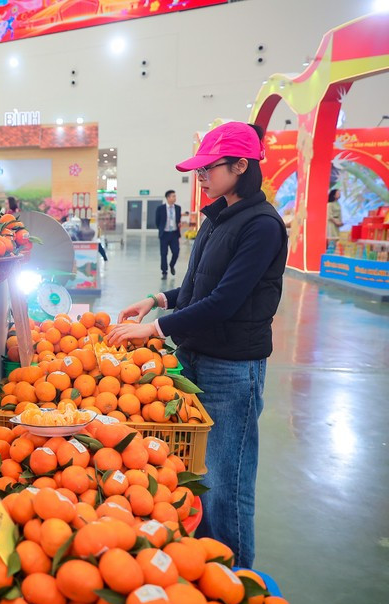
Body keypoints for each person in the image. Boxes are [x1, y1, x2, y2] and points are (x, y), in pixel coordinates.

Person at [106, 121, 287, 568]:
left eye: (209, 169)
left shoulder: (262, 226)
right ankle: (203, 567)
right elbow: (197, 288)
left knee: (227, 483)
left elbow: (225, 301)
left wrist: (156, 329)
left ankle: (235, 580)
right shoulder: (218, 217)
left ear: (241, 166)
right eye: (198, 170)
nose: (200, 178)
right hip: (195, 358)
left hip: (231, 370)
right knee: (193, 476)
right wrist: (156, 299)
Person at [155, 191, 181, 279]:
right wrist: (162, 229)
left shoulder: (178, 208)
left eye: (175, 196)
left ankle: (172, 265)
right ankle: (164, 272)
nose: (175, 198)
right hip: (164, 234)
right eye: (173, 196)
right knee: (163, 254)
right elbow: (157, 222)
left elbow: (178, 220)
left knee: (176, 252)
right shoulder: (160, 208)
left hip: (174, 234)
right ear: (168, 198)